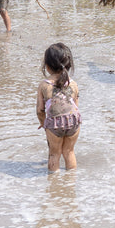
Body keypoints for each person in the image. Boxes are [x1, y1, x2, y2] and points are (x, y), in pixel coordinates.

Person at [36, 42, 81, 173]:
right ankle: (70, 182)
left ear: (47, 66)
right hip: (73, 121)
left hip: (55, 123)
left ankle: (55, 185)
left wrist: (44, 123)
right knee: (69, 151)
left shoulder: (44, 85)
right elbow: (76, 106)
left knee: (54, 154)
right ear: (68, 64)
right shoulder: (73, 84)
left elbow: (40, 110)